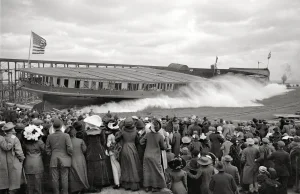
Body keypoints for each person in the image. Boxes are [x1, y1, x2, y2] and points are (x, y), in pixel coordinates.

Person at [46, 118, 73, 194]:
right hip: (65, 159)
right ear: (61, 127)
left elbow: (47, 149)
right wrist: (69, 155)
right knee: (64, 178)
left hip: (54, 158)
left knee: (55, 179)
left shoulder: (49, 136)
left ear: (53, 127)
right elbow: (70, 148)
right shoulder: (66, 135)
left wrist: (52, 154)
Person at [84, 115, 111, 192]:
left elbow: (86, 142)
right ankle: (100, 185)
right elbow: (103, 142)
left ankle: (92, 185)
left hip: (90, 152)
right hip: (99, 152)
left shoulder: (86, 133)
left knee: (91, 169)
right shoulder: (100, 132)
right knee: (100, 169)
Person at [141, 119, 167, 192]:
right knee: (157, 171)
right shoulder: (160, 136)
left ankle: (146, 186)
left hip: (147, 155)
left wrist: (147, 145)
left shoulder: (147, 134)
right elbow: (163, 147)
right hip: (155, 156)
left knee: (147, 171)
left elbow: (141, 142)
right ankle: (155, 187)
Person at [116, 117, 142, 191]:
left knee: (126, 167)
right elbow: (138, 141)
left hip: (125, 148)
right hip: (133, 148)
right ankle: (134, 185)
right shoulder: (135, 131)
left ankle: (127, 185)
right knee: (134, 166)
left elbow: (117, 139)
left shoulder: (123, 131)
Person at [2, 122, 25, 194]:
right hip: (14, 160)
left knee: (7, 178)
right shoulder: (15, 139)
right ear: (12, 130)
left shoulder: (3, 138)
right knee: (15, 180)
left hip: (5, 162)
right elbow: (18, 151)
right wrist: (22, 158)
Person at [65, 126, 89, 194]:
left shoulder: (66, 142)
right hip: (80, 158)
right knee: (82, 172)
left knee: (73, 174)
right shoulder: (80, 140)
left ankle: (75, 189)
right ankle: (83, 187)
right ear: (75, 133)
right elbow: (84, 150)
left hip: (71, 159)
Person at [23, 124, 45, 194]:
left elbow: (23, 152)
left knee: (29, 183)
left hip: (28, 163)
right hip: (37, 163)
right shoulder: (40, 142)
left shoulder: (25, 143)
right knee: (38, 182)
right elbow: (45, 151)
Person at [107, 122, 121, 189]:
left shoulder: (110, 136)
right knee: (119, 166)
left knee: (114, 168)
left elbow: (108, 145)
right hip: (119, 151)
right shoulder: (119, 134)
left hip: (112, 152)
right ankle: (120, 181)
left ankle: (117, 183)